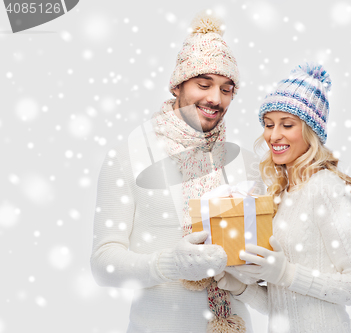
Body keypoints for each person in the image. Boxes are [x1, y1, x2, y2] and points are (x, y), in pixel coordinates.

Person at [90, 12, 263, 333]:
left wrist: (260, 266)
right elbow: (103, 265)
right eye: (203, 84)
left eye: (227, 89)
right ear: (178, 85)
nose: (215, 98)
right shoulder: (130, 155)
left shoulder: (247, 162)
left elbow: (263, 273)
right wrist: (171, 264)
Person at [215, 63, 351, 333]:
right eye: (268, 124)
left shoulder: (326, 188)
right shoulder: (281, 193)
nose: (273, 135)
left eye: (287, 124)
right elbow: (285, 304)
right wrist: (242, 287)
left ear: (310, 132)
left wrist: (287, 273)